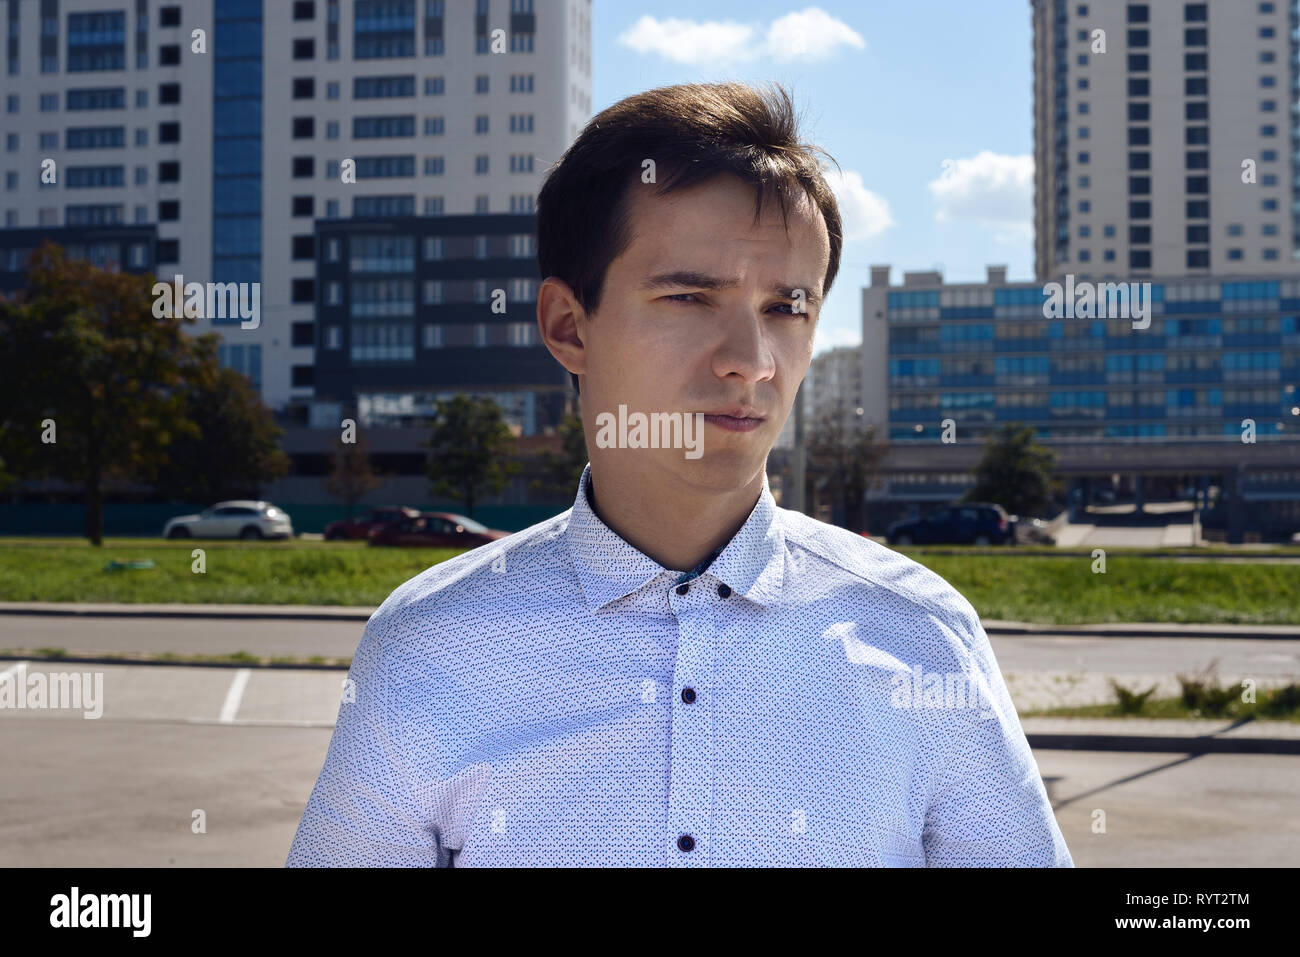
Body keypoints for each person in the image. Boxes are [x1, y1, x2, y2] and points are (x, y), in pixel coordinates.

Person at [286, 81, 1072, 867]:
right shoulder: (426, 649)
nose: (751, 361)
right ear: (568, 325)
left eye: (786, 308)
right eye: (690, 296)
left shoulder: (924, 641)